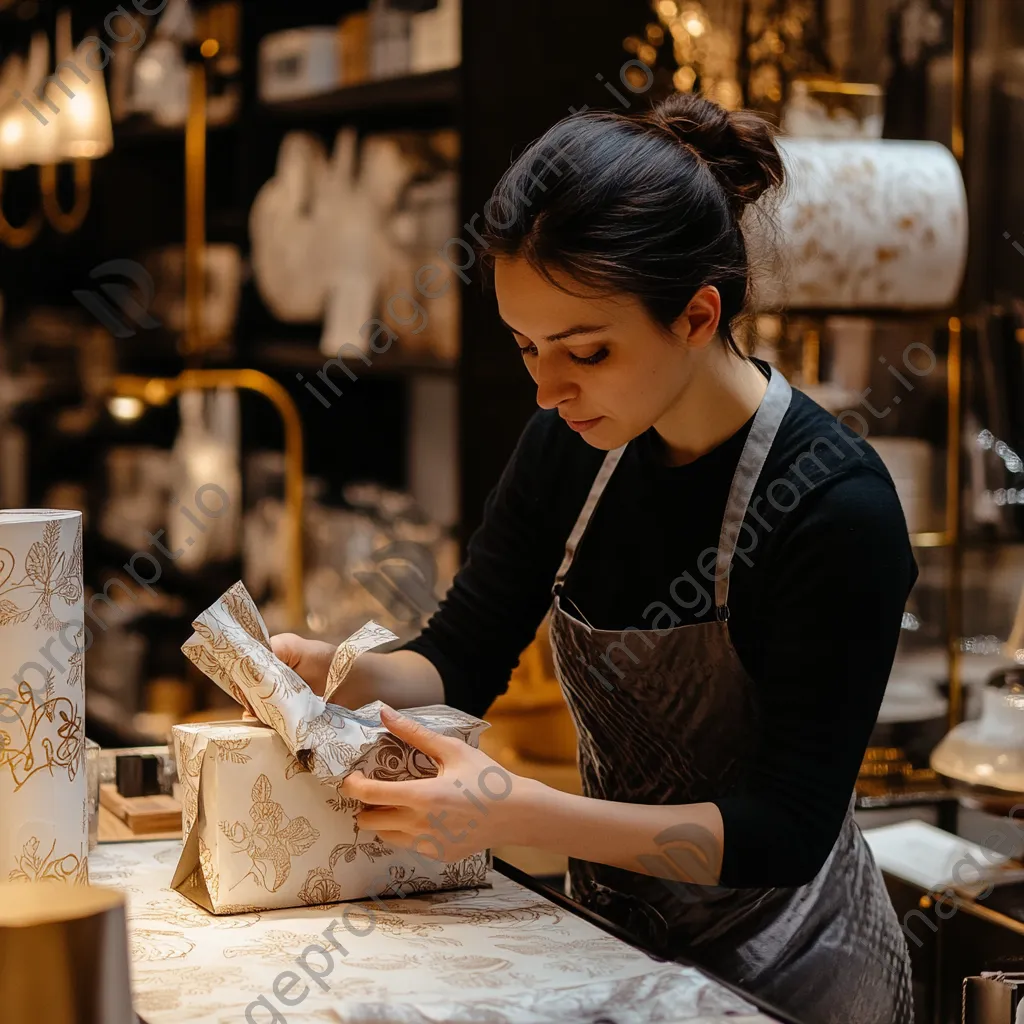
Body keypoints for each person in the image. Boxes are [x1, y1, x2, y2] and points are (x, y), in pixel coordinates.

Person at [272, 91, 918, 1024]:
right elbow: (462, 655)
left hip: (799, 973)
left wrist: (514, 814)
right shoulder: (572, 447)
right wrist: (330, 672)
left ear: (698, 315)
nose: (546, 389)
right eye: (526, 346)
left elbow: (783, 833)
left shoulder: (832, 508)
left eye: (586, 350)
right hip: (619, 943)